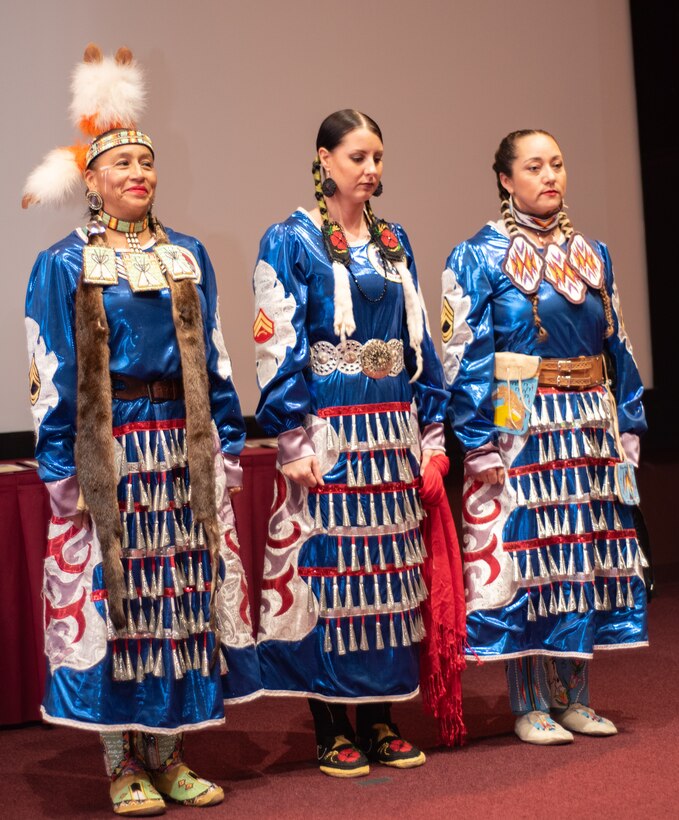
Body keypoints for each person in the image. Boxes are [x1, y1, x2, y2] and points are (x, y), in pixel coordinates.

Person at [23, 45, 260, 815]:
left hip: (179, 449)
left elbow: (217, 360)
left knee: (177, 598)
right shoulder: (63, 263)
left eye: (144, 163)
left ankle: (172, 752)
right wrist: (63, 467)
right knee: (117, 600)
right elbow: (50, 371)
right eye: (120, 163)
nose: (137, 174)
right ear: (90, 180)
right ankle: (121, 761)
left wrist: (223, 440)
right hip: (110, 448)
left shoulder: (186, 256)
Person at [252, 109, 463, 777]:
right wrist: (292, 438)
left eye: (377, 157)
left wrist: (431, 432)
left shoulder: (392, 240)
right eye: (356, 157)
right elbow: (274, 343)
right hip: (328, 431)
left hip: (391, 430)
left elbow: (419, 342)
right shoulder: (290, 241)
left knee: (389, 576)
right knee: (330, 575)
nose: (371, 170)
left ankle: (379, 718)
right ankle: (327, 724)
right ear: (323, 160)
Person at [441, 129, 648, 745]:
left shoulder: (594, 253)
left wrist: (627, 422)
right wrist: (480, 439)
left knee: (577, 555)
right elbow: (463, 354)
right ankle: (529, 702)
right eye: (534, 167)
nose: (550, 176)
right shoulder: (479, 254)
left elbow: (619, 343)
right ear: (505, 179)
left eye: (557, 163)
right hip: (521, 416)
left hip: (588, 420)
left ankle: (575, 696)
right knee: (530, 558)